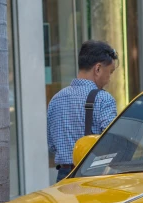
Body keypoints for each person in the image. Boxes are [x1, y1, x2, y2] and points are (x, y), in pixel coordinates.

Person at [47, 40, 118, 182]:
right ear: (97, 69)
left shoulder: (56, 99)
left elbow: (52, 145)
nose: (109, 79)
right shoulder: (103, 99)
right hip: (92, 177)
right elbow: (112, 144)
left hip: (63, 178)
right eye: (110, 72)